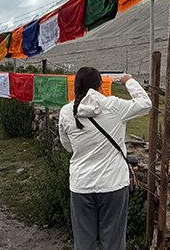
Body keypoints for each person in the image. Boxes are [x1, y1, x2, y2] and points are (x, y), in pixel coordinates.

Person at [58, 67, 152, 250]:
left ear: (75, 86)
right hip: (113, 183)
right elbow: (145, 103)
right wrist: (129, 81)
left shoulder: (66, 112)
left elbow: (67, 145)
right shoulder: (114, 106)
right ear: (101, 85)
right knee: (114, 242)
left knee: (83, 242)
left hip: (81, 184)